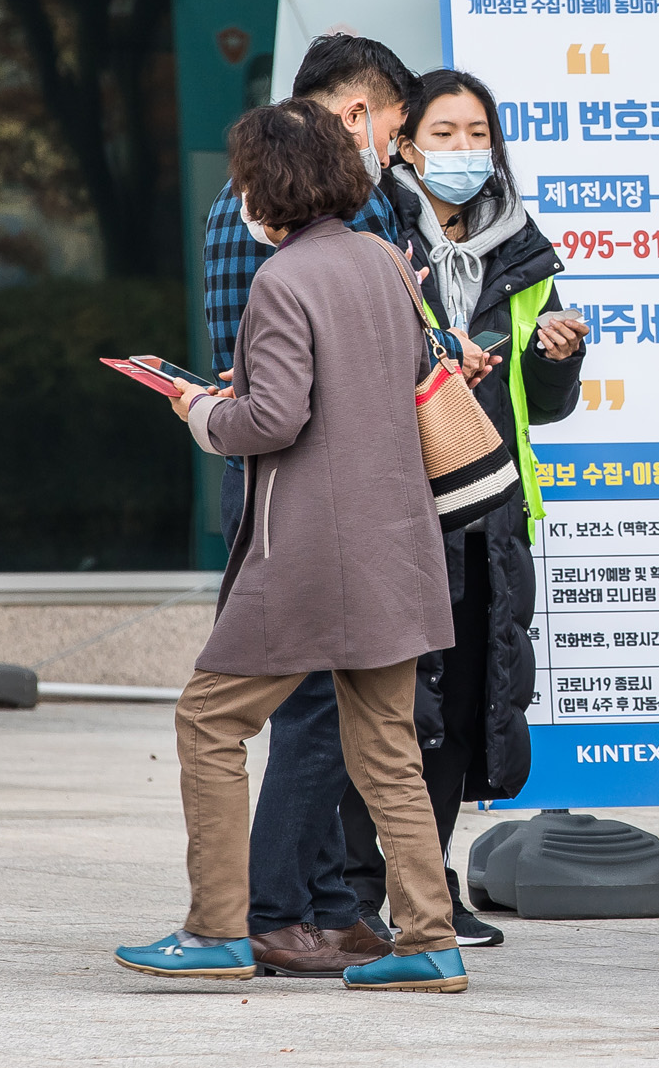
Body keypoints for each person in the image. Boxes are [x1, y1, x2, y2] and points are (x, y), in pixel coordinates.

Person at [115, 99, 471, 993]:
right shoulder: (386, 260)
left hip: (311, 552)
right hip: (394, 544)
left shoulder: (282, 280)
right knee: (387, 747)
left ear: (267, 187)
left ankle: (216, 928)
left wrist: (202, 409)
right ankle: (430, 939)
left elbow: (274, 419)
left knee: (208, 721)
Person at [339, 68, 588, 946]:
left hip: (488, 509)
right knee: (387, 708)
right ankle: (355, 890)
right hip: (393, 507)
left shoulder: (521, 251)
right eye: (443, 133)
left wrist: (557, 358)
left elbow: (543, 404)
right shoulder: (375, 234)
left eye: (478, 133)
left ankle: (430, 886)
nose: (464, 150)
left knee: (459, 707)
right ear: (406, 145)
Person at [200, 34, 422, 980]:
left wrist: (208, 411)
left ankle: (294, 911)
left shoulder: (268, 233)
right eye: (397, 131)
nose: (396, 151)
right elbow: (347, 379)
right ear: (352, 120)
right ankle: (307, 913)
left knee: (292, 713)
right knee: (340, 721)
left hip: (291, 494)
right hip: (344, 498)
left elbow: (267, 393)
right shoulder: (355, 233)